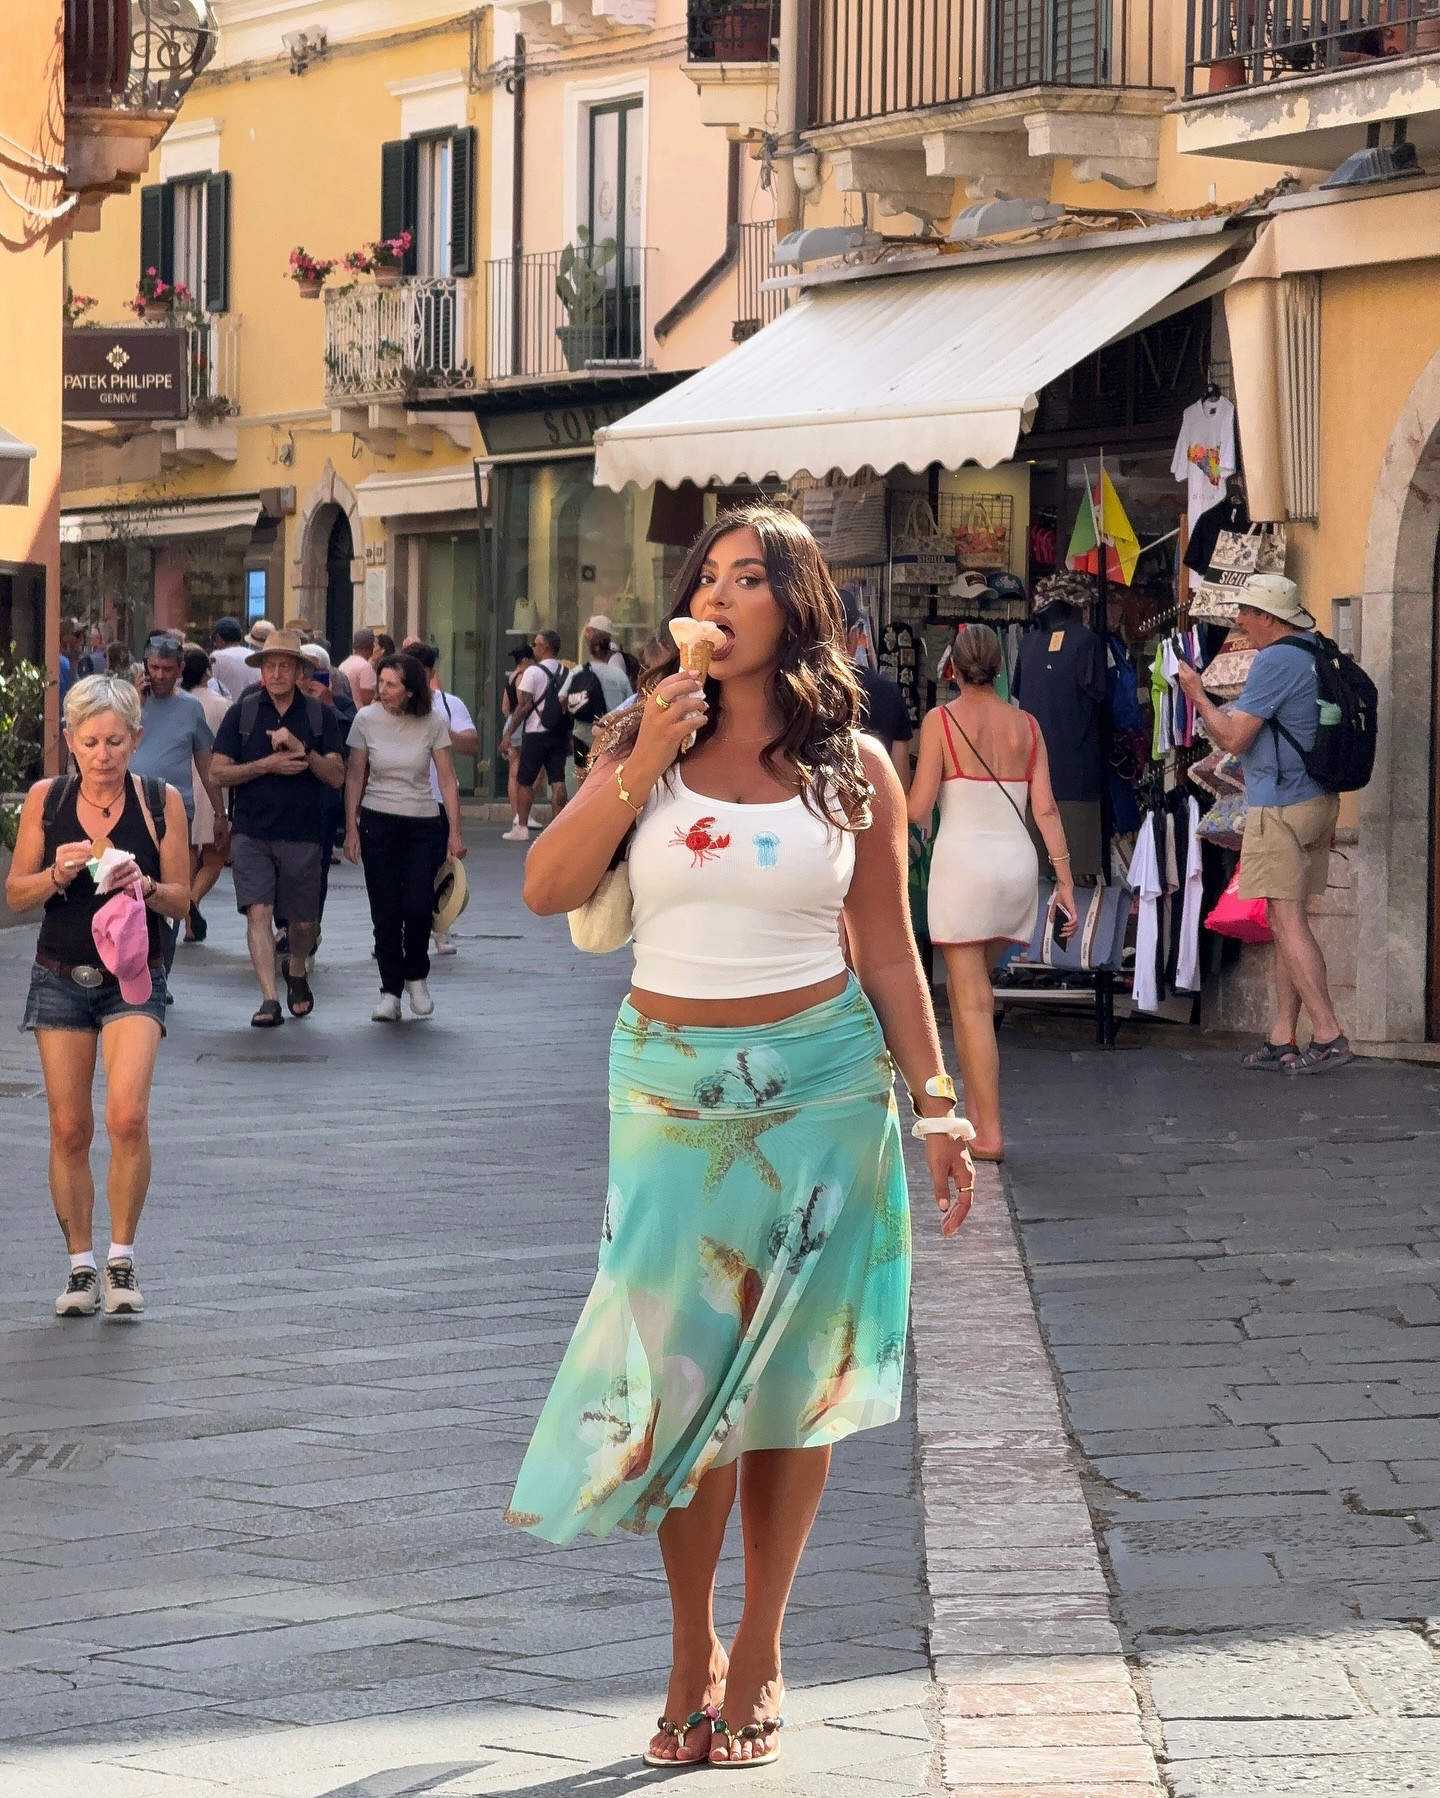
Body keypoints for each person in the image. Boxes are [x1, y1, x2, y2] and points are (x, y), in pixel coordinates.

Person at [506, 506, 975, 1772]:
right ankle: (687, 1647)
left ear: (795, 604)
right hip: (666, 1094)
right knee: (681, 1384)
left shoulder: (856, 768)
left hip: (824, 1093)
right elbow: (548, 887)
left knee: (792, 1381)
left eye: (749, 576)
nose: (719, 595)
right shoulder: (640, 740)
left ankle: (761, 1647)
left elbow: (886, 945)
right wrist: (640, 747)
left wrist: (938, 1103)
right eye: (705, 575)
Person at [4, 675, 191, 1318]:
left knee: (127, 1117)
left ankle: (121, 1257)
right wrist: (56, 874)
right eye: (90, 741)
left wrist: (145, 884)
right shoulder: (44, 799)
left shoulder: (161, 801)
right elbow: (16, 893)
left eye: (115, 740)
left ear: (136, 739)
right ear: (69, 742)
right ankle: (80, 1266)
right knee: (68, 1128)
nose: (103, 754)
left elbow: (183, 898)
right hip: (59, 976)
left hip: (134, 978)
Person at [908, 624, 1077, 1162]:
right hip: (1017, 869)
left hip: (964, 869)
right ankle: (976, 1116)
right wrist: (1066, 882)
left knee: (973, 1002)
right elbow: (1046, 810)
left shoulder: (941, 721)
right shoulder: (1026, 726)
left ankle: (992, 1131)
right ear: (1001, 669)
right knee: (966, 993)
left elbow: (918, 808)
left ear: (951, 669)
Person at [1175, 572, 1351, 1073]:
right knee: (1285, 918)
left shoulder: (1275, 660)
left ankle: (1328, 1032)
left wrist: (1198, 695)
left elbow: (1233, 739)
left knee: (1288, 920)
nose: (1240, 621)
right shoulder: (1316, 650)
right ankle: (1282, 1035)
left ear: (1269, 618)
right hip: (1317, 800)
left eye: (1247, 613)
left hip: (1281, 805)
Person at [210, 629, 346, 1027]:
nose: (278, 672)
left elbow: (337, 775)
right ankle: (269, 998)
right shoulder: (244, 712)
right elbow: (218, 773)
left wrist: (303, 752)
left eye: (286, 665)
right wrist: (264, 766)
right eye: (270, 665)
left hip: (305, 832)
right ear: (261, 672)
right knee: (260, 911)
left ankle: (297, 967)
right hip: (252, 832)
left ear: (301, 670)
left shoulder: (319, 714)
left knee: (304, 924)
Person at [344, 652, 465, 1022]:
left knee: (416, 906)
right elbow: (354, 775)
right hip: (378, 820)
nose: (382, 690)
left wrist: (455, 832)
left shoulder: (433, 721)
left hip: (422, 823)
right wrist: (351, 826)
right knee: (385, 911)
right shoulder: (365, 719)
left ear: (411, 690)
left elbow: (446, 777)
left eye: (391, 684)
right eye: (380, 682)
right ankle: (389, 992)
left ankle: (417, 977)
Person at [129, 633, 222, 979]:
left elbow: (205, 763)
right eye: (154, 667)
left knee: (168, 895)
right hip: (129, 806)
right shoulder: (128, 702)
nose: (160, 675)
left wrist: (220, 813)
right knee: (129, 891)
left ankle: (159, 973)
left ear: (181, 668)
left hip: (174, 810)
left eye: (168, 668)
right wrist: (134, 704)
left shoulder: (191, 708)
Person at [1011, 571, 1107, 883]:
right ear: (1078, 605)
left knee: (1036, 878)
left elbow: (1020, 694)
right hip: (1078, 777)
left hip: (1034, 778)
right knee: (1077, 878)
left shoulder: (1027, 646)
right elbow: (1104, 699)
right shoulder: (1088, 643)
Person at [405, 642, 477, 956]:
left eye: (421, 673)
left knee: (435, 867)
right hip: (399, 799)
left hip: (436, 798)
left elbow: (472, 744)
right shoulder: (392, 703)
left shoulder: (448, 705)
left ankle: (441, 925)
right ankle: (396, 930)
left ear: (432, 673)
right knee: (399, 869)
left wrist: (444, 731)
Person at [179, 647, 232, 942]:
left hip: (184, 782)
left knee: (188, 852)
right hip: (213, 783)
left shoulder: (177, 704)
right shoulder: (222, 706)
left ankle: (188, 921)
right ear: (206, 672)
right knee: (215, 855)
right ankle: (193, 900)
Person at [500, 628, 571, 842]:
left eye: (536, 644)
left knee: (524, 780)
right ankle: (558, 826)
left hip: (535, 733)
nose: (533, 647)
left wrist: (509, 733)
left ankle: (521, 826)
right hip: (558, 734)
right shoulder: (566, 672)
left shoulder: (533, 672)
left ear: (545, 647)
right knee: (557, 779)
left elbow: (523, 706)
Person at [841, 592, 912, 792]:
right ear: (853, 634)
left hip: (813, 816)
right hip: (874, 813)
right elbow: (900, 785)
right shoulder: (887, 692)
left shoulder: (796, 691)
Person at [565, 627, 633, 774]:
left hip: (582, 732)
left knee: (582, 778)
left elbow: (562, 697)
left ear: (589, 650)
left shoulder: (578, 671)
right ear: (609, 651)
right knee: (606, 776)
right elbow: (631, 702)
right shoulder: (619, 675)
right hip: (610, 733)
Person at [211, 616, 255, 701]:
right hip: (252, 709)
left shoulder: (217, 657)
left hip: (228, 710)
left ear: (218, 638)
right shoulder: (252, 656)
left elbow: (210, 687)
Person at [338, 628, 379, 706]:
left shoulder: (343, 664)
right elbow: (367, 700)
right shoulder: (365, 667)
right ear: (370, 648)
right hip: (360, 713)